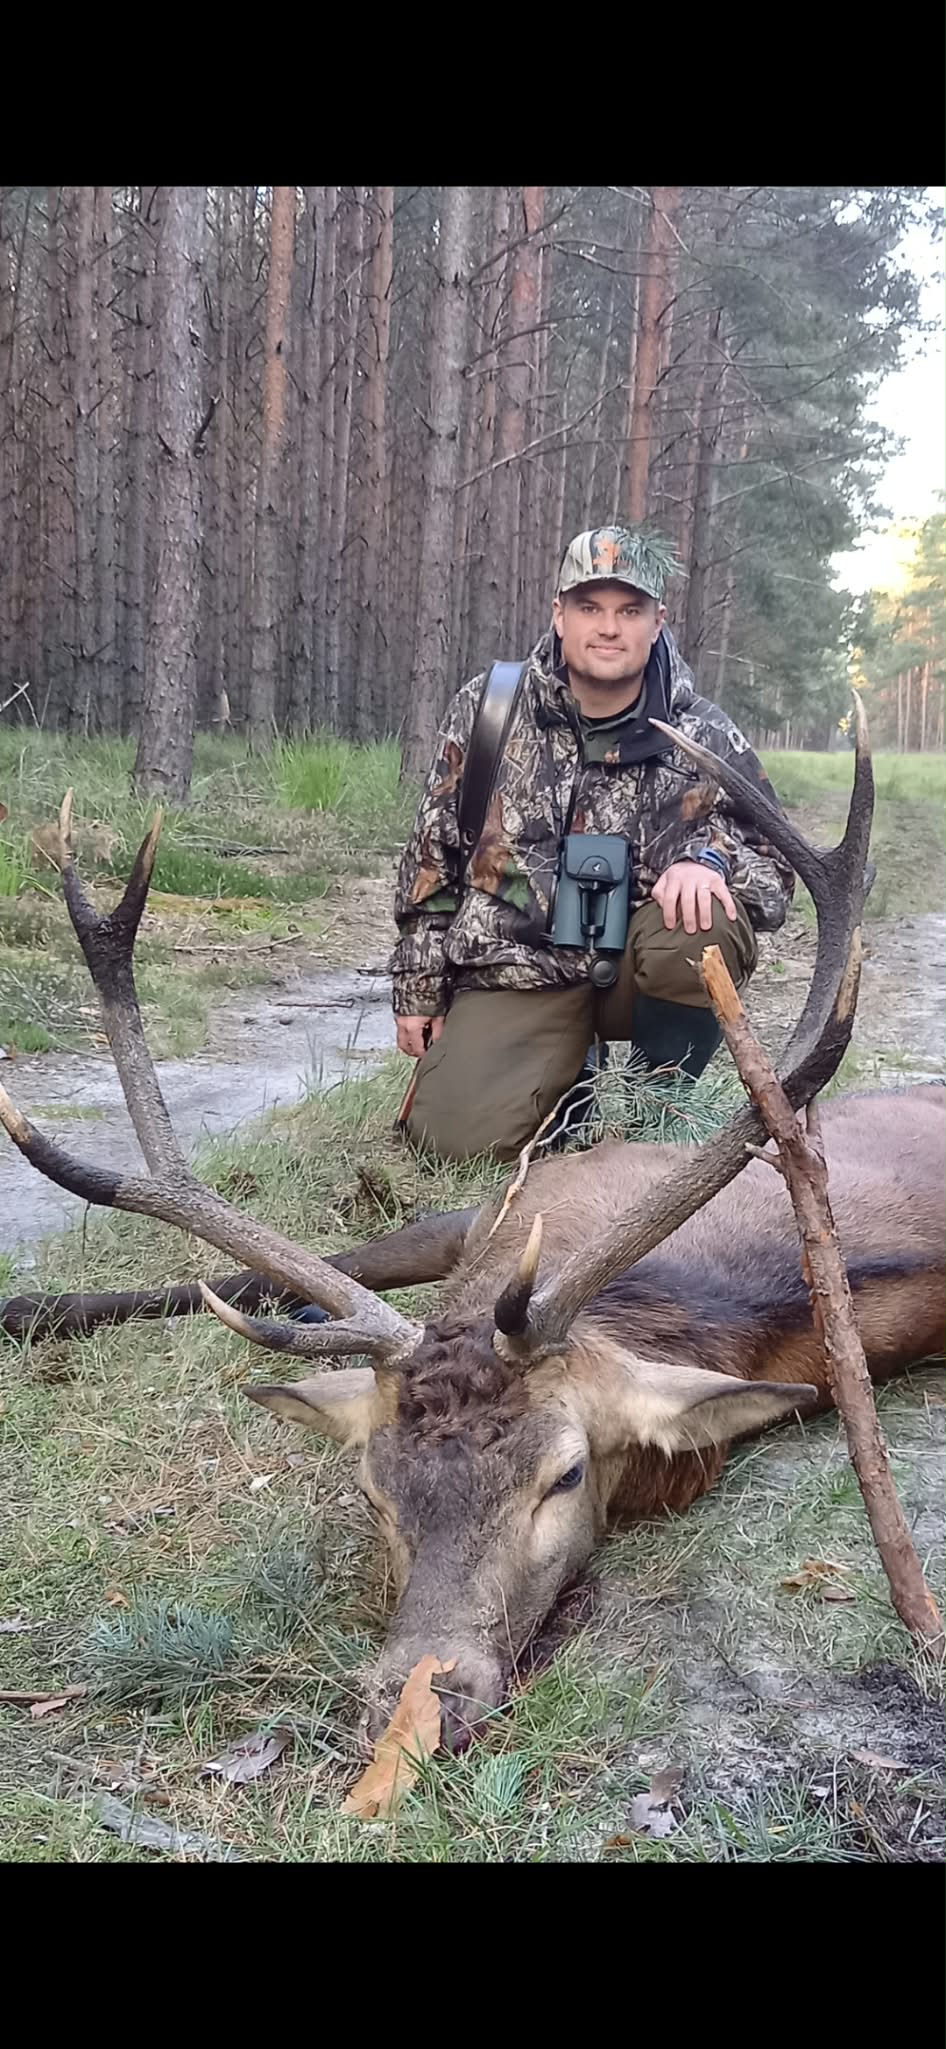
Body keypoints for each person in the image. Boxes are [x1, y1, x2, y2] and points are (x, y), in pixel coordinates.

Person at [391, 523, 793, 1162]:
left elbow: (777, 873)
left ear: (657, 622)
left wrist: (710, 861)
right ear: (559, 615)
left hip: (638, 967)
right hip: (520, 970)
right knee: (450, 1144)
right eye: (589, 608)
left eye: (629, 610)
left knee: (702, 921)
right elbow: (431, 858)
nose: (609, 628)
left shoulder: (704, 734)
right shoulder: (491, 709)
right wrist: (419, 988)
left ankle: (657, 1118)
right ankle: (566, 1091)